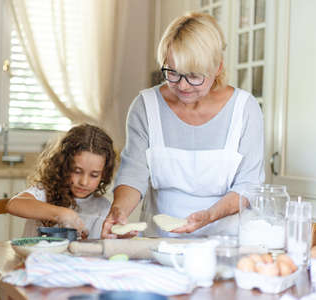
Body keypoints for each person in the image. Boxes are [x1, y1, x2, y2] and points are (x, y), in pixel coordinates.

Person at [101, 12, 265, 239]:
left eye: (194, 76)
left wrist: (209, 215)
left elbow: (248, 186)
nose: (183, 86)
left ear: (217, 68)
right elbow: (133, 174)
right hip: (160, 242)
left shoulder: (245, 109)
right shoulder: (146, 106)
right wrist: (118, 211)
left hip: (226, 242)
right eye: (173, 73)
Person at [7, 123, 116, 239]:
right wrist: (61, 214)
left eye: (94, 175)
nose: (84, 182)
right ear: (64, 165)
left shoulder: (103, 208)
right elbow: (14, 204)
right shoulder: (45, 192)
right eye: (77, 171)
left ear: (104, 175)